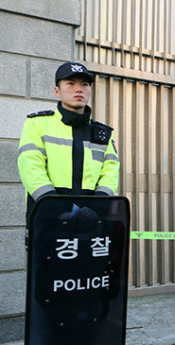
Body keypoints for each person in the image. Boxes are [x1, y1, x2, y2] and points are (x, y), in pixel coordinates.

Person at [17, 62, 120, 228]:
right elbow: (32, 170)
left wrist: (95, 209)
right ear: (57, 91)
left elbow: (110, 174)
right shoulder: (37, 124)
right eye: (70, 83)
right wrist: (62, 210)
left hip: (92, 222)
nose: (79, 89)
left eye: (84, 84)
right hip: (48, 220)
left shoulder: (103, 134)